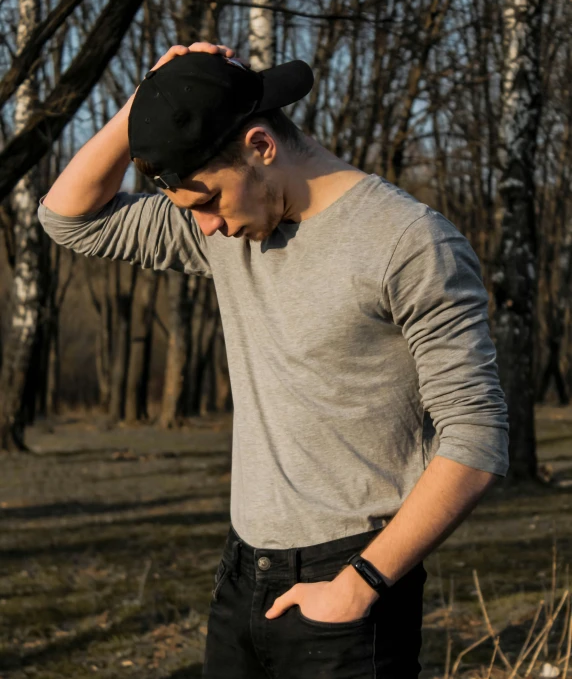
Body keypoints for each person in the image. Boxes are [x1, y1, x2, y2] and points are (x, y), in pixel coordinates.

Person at [38, 41, 509, 679]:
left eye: (206, 202)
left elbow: (477, 438)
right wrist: (153, 98)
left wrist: (358, 585)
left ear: (261, 146)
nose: (204, 227)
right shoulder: (228, 224)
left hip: (349, 590)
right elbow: (68, 219)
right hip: (241, 578)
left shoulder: (409, 242)